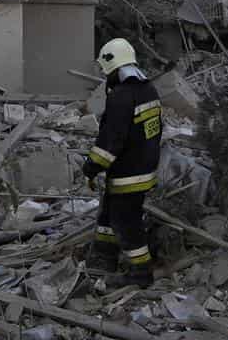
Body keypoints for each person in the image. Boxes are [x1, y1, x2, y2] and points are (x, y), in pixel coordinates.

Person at [82, 38, 162, 287]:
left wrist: (90, 168)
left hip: (128, 173)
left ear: (112, 67)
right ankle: (104, 258)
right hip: (144, 168)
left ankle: (140, 273)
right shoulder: (148, 90)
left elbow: (109, 143)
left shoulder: (121, 97)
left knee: (125, 222)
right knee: (108, 214)